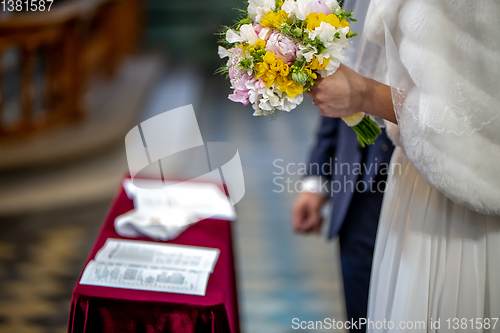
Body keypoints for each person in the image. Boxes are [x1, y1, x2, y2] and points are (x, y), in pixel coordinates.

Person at [307, 0, 500, 332]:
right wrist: (317, 177)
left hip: (454, 190)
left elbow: (477, 115)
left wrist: (365, 94)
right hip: (386, 187)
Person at [292, 117, 393, 332]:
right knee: (360, 316)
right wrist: (316, 181)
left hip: (420, 187)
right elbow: (334, 108)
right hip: (356, 194)